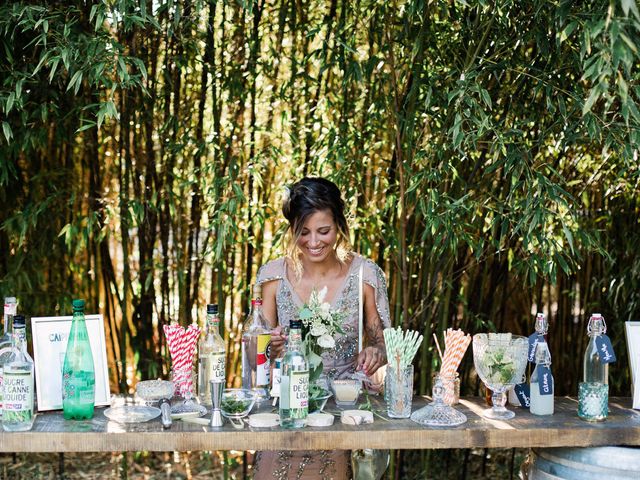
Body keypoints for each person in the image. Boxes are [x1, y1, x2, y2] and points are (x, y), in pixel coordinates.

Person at [253, 177, 391, 480]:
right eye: (303, 232)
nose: (313, 241)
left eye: (323, 231)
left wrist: (374, 353)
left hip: (345, 409)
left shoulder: (365, 276)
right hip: (286, 410)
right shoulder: (273, 277)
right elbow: (255, 358)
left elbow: (387, 346)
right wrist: (269, 348)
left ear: (339, 225)